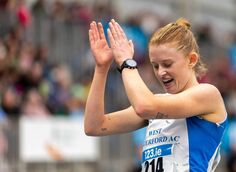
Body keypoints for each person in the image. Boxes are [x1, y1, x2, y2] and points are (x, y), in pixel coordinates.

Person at [84, 18, 228, 172]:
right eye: (156, 66)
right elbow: (95, 126)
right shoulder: (157, 103)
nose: (161, 72)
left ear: (191, 60)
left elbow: (143, 107)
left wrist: (127, 62)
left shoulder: (207, 94)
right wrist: (101, 68)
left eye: (167, 64)